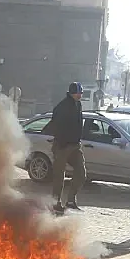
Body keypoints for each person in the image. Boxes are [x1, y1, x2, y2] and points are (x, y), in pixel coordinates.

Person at [45, 82, 86, 213]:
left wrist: (78, 140)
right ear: (72, 93)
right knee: (59, 176)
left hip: (75, 146)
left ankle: (70, 201)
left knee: (81, 172)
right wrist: (61, 143)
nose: (80, 95)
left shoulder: (78, 105)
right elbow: (56, 125)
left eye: (81, 93)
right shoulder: (62, 107)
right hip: (62, 146)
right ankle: (55, 203)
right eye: (78, 93)